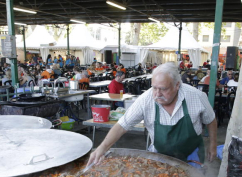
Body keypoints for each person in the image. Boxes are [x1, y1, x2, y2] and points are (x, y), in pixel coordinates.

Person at [88, 62, 217, 168]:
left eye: (163, 89)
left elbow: (211, 120)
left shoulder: (196, 96)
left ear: (177, 85)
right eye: (154, 87)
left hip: (191, 153)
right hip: (160, 155)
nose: (157, 93)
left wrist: (212, 145)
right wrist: (102, 148)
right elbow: (123, 125)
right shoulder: (146, 99)